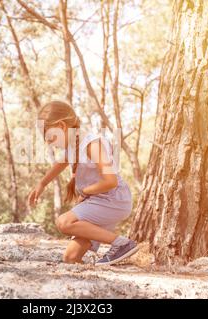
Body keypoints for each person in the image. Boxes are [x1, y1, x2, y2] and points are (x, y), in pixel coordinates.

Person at [27, 100, 139, 266]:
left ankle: (122, 244)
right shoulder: (72, 145)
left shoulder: (93, 145)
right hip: (97, 201)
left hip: (113, 200)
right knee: (70, 257)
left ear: (62, 127)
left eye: (50, 138)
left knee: (63, 222)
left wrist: (85, 192)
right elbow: (59, 164)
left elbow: (111, 181)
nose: (49, 143)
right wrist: (42, 184)